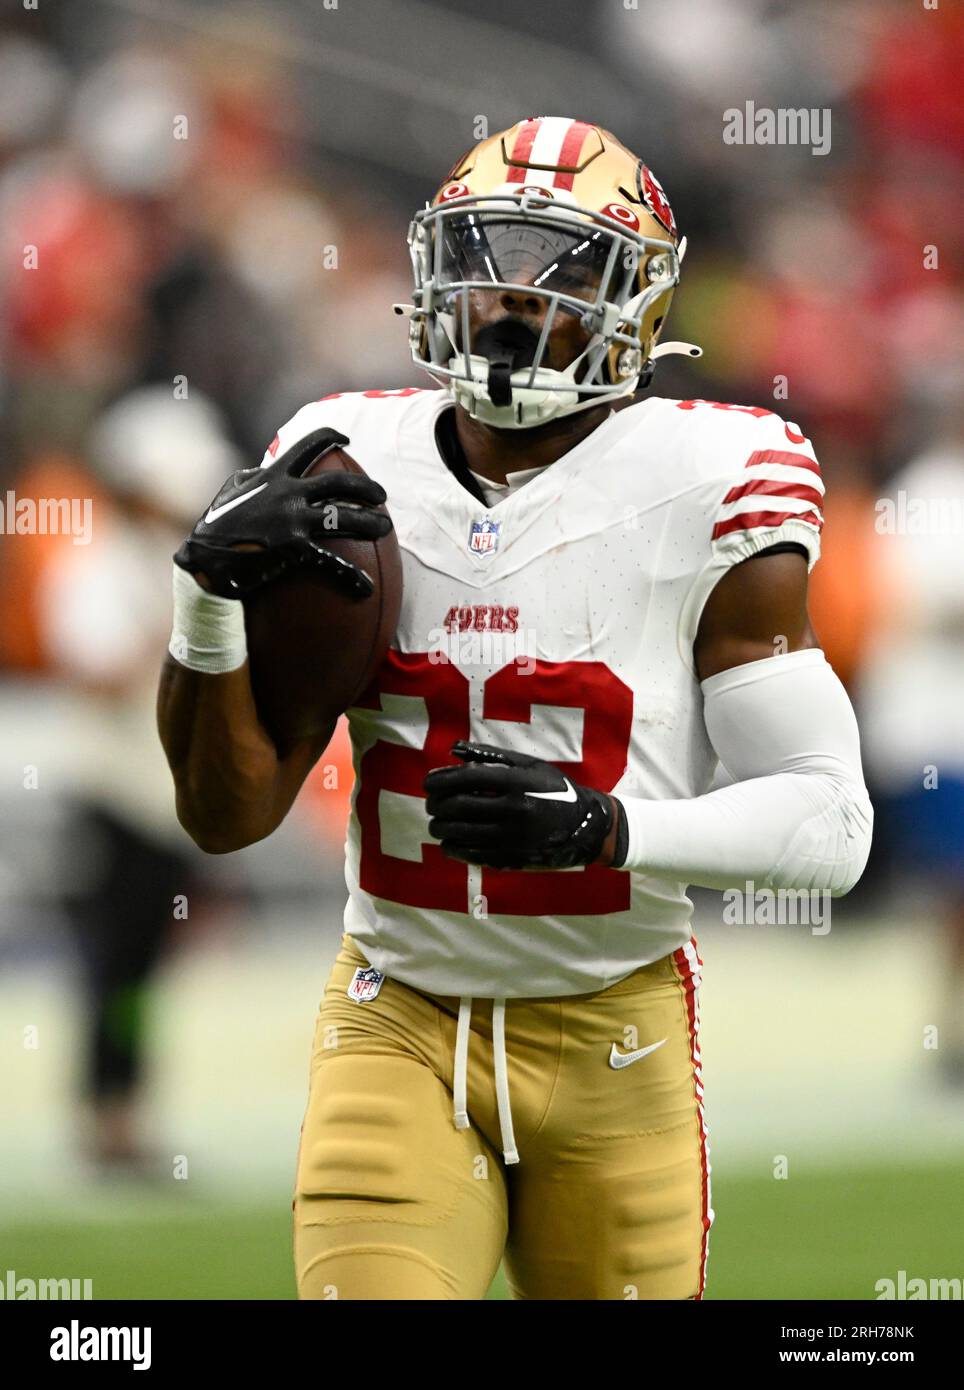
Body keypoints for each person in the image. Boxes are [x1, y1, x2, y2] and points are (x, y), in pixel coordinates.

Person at [158, 118, 873, 1299]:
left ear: (637, 301)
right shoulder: (342, 462)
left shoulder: (713, 477)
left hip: (613, 1029)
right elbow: (223, 817)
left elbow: (829, 824)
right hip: (397, 1015)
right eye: (485, 257)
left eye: (562, 269)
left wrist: (609, 829)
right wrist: (204, 597)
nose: (508, 301)